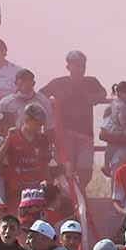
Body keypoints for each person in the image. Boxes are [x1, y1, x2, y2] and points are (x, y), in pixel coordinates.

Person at [40, 51, 106, 188]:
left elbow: (103, 93)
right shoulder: (58, 83)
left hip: (85, 134)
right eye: (76, 65)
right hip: (64, 134)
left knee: (86, 171)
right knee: (64, 170)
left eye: (82, 65)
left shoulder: (91, 81)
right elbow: (40, 95)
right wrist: (51, 104)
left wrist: (94, 98)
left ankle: (81, 197)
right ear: (68, 66)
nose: (80, 68)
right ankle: (67, 200)